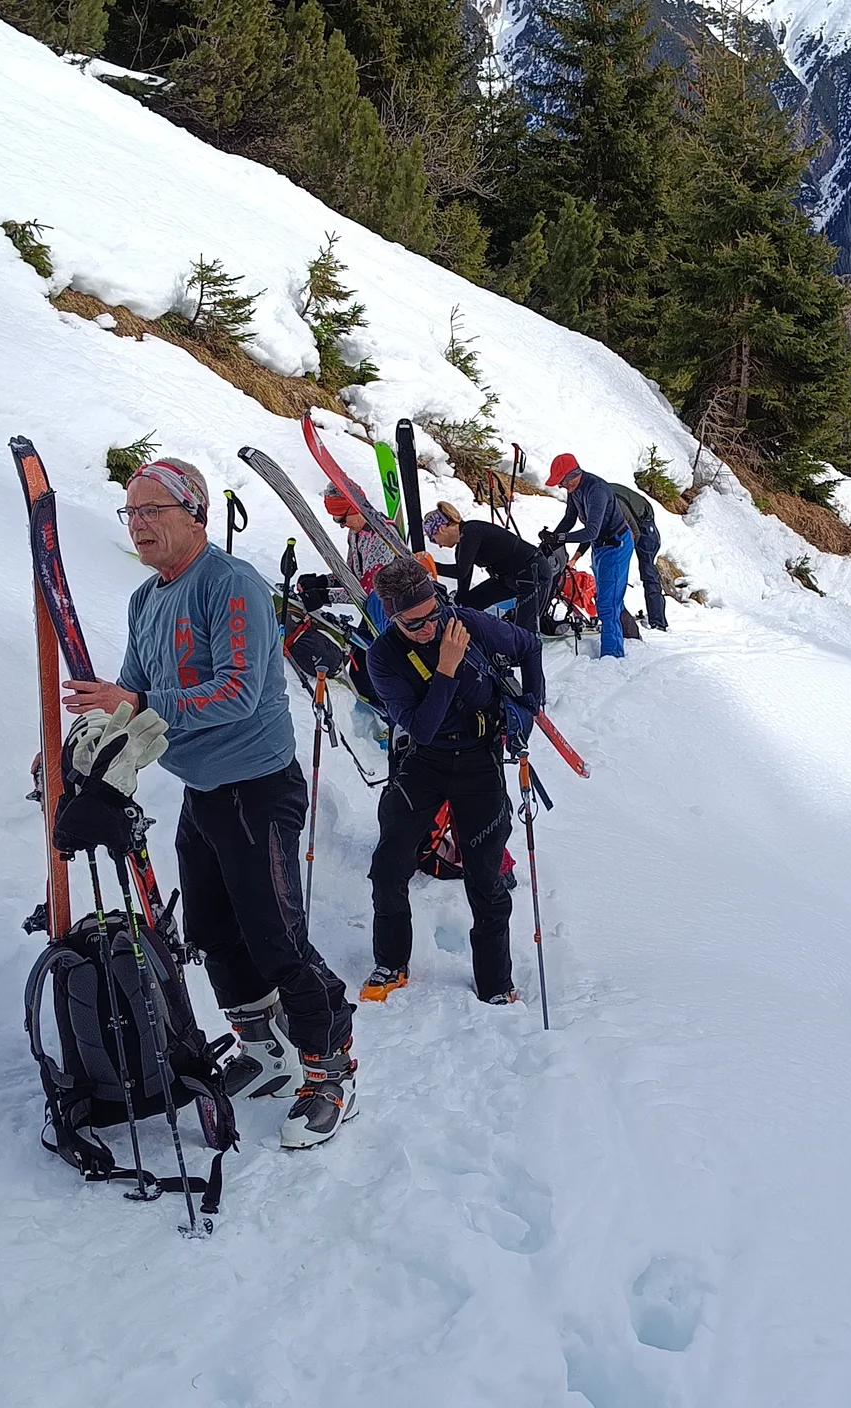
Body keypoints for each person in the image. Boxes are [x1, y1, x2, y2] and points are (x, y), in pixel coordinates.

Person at [62, 457, 357, 1150]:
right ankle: (265, 1053)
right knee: (213, 935)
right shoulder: (146, 600)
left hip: (257, 785)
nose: (139, 525)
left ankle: (330, 1070)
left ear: (194, 514)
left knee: (277, 939)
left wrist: (138, 702)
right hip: (204, 791)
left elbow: (240, 693)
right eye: (130, 514)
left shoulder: (231, 585)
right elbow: (134, 689)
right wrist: (95, 742)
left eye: (152, 511)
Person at [359, 556, 547, 1007]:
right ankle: (391, 962)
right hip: (425, 760)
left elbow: (530, 646)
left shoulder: (464, 623)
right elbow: (421, 728)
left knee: (485, 877)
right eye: (413, 623)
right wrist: (447, 667)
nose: (428, 627)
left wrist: (530, 708)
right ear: (391, 617)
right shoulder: (382, 658)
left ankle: (495, 982)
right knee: (388, 866)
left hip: (479, 762)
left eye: (433, 615)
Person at [544, 453, 632, 659]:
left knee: (607, 603)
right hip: (600, 546)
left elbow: (591, 530)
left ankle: (612, 655)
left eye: (563, 482)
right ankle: (623, 635)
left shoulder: (596, 491)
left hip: (616, 545)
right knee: (606, 595)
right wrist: (552, 539)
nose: (562, 487)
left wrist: (561, 537)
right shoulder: (575, 490)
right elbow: (569, 519)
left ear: (574, 474)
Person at [425, 499, 550, 633]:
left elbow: (460, 571)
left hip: (533, 574)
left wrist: (429, 566)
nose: (438, 545)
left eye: (433, 539)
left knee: (524, 632)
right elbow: (465, 576)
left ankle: (522, 651)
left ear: (441, 529)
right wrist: (460, 603)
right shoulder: (462, 542)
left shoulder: (471, 532)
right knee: (471, 602)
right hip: (508, 578)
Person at [606, 478, 669, 631]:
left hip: (644, 523)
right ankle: (617, 615)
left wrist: (623, 554)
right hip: (629, 518)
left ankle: (658, 621)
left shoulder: (614, 505)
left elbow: (635, 533)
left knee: (648, 571)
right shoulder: (596, 499)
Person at [326, 487, 392, 592]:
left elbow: (370, 590)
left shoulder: (381, 536)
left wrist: (326, 596)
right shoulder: (355, 532)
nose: (342, 526)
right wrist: (323, 581)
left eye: (342, 520)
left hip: (398, 606)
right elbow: (352, 577)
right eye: (336, 521)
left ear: (354, 508)